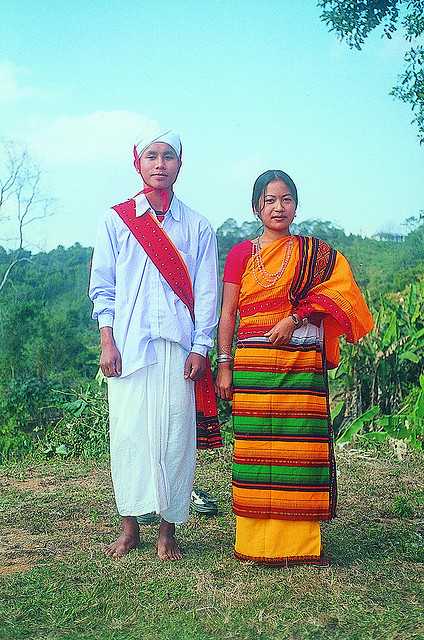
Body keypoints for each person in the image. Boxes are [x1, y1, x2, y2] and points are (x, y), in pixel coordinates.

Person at [215, 170, 373, 566]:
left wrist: (296, 317)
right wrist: (224, 364)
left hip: (299, 366)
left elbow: (340, 291)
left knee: (299, 450)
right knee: (255, 453)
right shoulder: (240, 254)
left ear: (296, 205)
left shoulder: (315, 255)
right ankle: (255, 543)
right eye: (269, 200)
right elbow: (228, 312)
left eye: (285, 199)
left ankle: (300, 544)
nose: (278, 207)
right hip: (252, 366)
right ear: (256, 208)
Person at [89, 130, 221, 561]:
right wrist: (107, 340)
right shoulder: (116, 220)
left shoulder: (198, 226)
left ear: (180, 164)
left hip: (179, 350)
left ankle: (168, 530)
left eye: (168, 156)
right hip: (128, 347)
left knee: (174, 439)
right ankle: (130, 527)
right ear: (137, 163)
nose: (160, 163)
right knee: (128, 436)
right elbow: (103, 286)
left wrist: (201, 348)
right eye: (151, 156)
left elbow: (206, 293)